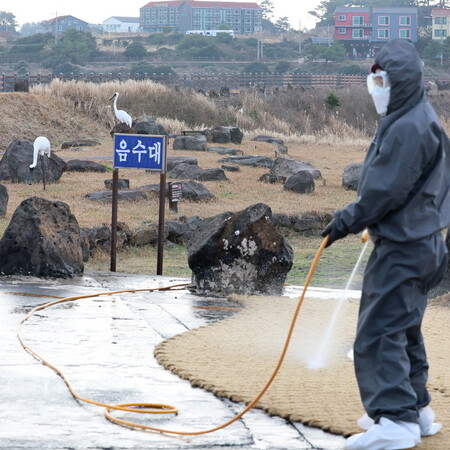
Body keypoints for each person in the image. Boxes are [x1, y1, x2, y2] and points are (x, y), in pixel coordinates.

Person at [322, 38, 450, 449]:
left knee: (378, 333)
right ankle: (417, 410)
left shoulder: (409, 127)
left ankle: (395, 422)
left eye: (381, 79)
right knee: (404, 328)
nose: (375, 86)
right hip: (423, 242)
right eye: (372, 79)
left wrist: (345, 220)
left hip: (404, 248)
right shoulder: (417, 117)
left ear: (402, 80)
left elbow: (382, 192)